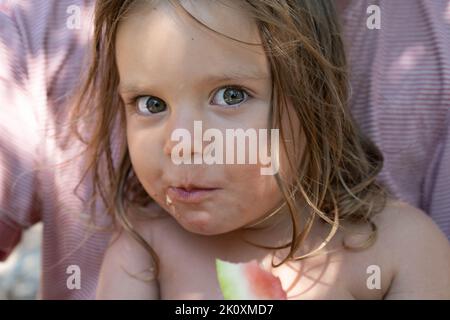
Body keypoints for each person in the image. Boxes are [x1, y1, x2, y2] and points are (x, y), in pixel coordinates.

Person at [78, 0, 449, 299]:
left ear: (316, 100)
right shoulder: (144, 251)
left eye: (231, 95)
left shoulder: (400, 250)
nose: (182, 143)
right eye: (151, 104)